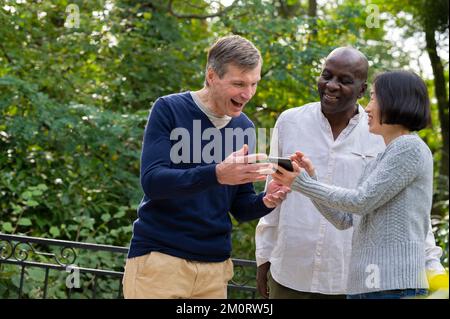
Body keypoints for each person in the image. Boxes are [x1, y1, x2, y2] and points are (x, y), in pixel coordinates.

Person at [255, 48, 445, 299]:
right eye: (327, 76)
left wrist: (301, 183)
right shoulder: (292, 121)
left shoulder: (405, 147)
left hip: (374, 281)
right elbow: (345, 218)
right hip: (299, 273)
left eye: (374, 99)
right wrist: (310, 181)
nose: (367, 108)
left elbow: (364, 202)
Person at [122, 35, 289, 299]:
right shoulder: (169, 109)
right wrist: (217, 173)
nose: (247, 94)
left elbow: (241, 206)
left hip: (215, 269)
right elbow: (153, 182)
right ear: (212, 76)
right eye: (238, 84)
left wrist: (267, 200)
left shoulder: (244, 127)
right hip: (160, 261)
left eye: (253, 84)